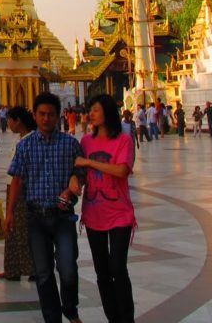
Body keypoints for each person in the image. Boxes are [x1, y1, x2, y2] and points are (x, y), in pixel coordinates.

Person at [5, 92, 84, 323]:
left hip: (62, 216)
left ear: (58, 116)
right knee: (43, 274)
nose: (46, 118)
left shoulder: (70, 144)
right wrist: (9, 213)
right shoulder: (26, 145)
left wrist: (74, 182)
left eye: (50, 114)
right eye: (42, 114)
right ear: (35, 116)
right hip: (36, 217)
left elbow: (81, 171)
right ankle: (52, 318)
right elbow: (17, 179)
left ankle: (70, 308)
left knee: (68, 269)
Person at [75, 94, 136, 323]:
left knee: (118, 268)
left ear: (107, 113)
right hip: (93, 214)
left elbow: (121, 171)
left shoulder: (124, 141)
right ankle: (113, 318)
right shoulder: (86, 142)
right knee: (102, 271)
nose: (90, 114)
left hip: (119, 213)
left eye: (95, 110)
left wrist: (89, 163)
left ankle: (126, 318)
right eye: (90, 110)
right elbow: (80, 172)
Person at [0, 106, 36, 282]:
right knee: (12, 229)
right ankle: (13, 269)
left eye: (10, 120)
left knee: (22, 229)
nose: (8, 124)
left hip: (21, 189)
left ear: (18, 121)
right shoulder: (21, 140)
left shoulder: (29, 141)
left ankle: (31, 268)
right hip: (12, 186)